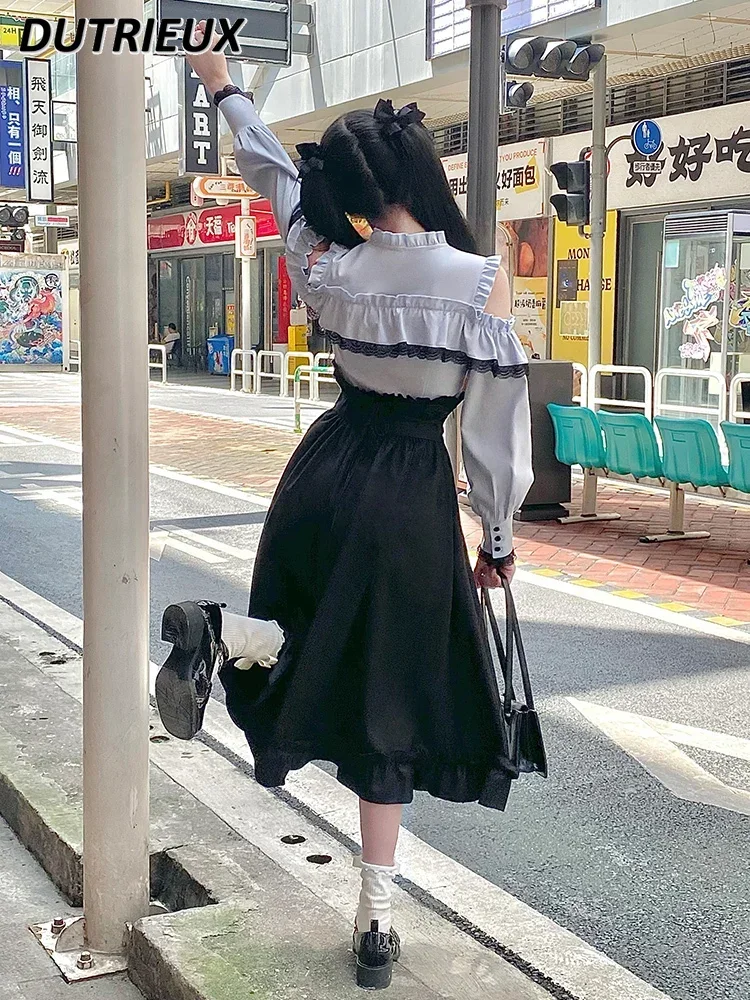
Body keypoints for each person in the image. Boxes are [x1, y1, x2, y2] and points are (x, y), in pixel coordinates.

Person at [155, 21, 534, 991]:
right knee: (389, 700)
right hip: (407, 498)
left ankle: (220, 631)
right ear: (420, 176)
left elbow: (273, 174)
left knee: (310, 636)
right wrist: (496, 532)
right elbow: (495, 426)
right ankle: (374, 919)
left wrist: (220, 82)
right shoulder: (476, 283)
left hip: (322, 475)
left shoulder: (328, 265)